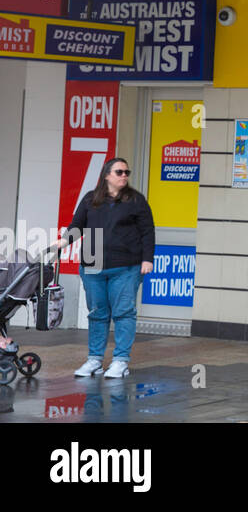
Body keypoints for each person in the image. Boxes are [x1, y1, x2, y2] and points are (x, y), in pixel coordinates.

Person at [51, 158, 155, 379]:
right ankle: (95, 360)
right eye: (119, 172)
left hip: (126, 265)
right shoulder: (91, 198)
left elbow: (148, 231)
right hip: (93, 264)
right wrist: (61, 243)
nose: (124, 175)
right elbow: (77, 226)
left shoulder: (136, 200)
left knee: (123, 313)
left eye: (127, 171)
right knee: (97, 313)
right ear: (107, 175)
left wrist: (147, 259)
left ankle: (120, 361)